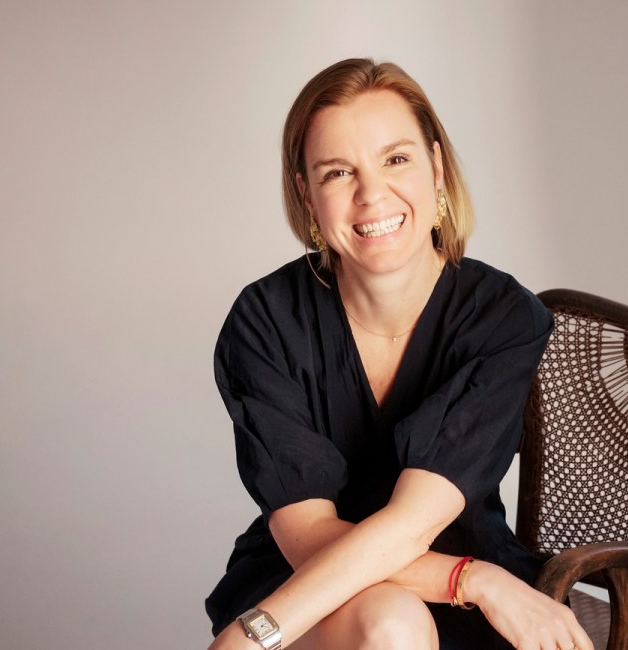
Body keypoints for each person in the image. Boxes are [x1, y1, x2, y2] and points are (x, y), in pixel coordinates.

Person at [206, 58, 594, 650]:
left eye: (396, 159)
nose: (370, 194)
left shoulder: (502, 317)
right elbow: (308, 534)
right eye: (338, 172)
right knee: (390, 620)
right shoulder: (265, 321)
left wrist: (255, 636)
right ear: (306, 195)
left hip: (460, 580)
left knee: (393, 620)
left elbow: (416, 521)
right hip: (305, 578)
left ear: (436, 168)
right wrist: (476, 581)